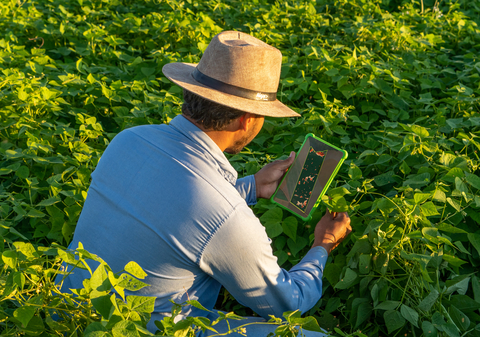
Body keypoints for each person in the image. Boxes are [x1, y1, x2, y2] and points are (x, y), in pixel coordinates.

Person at [58, 31, 351, 336]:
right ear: (247, 119)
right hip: (144, 329)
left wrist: (252, 187)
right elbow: (287, 301)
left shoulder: (128, 139)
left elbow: (175, 210)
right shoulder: (226, 215)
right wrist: (323, 244)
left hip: (67, 309)